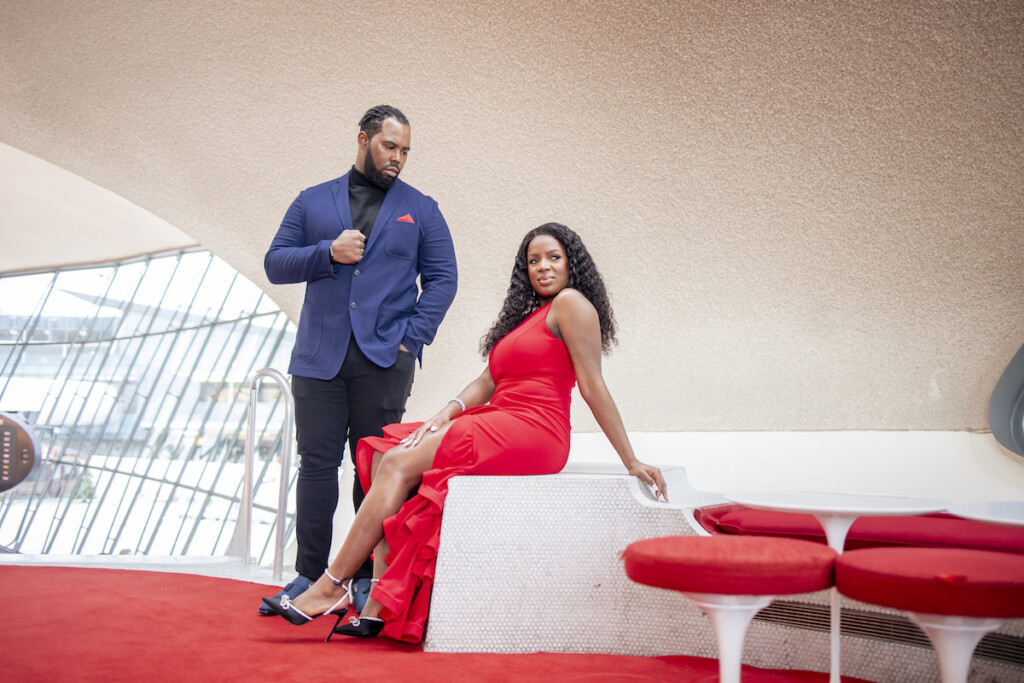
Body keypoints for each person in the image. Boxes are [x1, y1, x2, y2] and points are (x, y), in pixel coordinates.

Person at [262, 222, 666, 642]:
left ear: (572, 263)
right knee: (386, 449)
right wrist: (445, 413)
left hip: (536, 429)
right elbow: (486, 382)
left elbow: (593, 385)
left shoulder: (571, 304)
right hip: (499, 417)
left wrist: (631, 460)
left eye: (553, 257)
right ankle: (379, 600)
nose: (542, 267)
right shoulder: (528, 318)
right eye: (533, 261)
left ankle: (331, 585)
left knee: (400, 460)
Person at [259, 105, 458, 614]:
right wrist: (327, 252)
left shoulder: (423, 208)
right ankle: (307, 577)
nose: (398, 158)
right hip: (318, 358)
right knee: (317, 464)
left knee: (371, 467)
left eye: (405, 151)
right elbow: (276, 263)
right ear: (364, 139)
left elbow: (443, 279)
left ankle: (365, 578)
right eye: (390, 146)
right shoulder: (312, 201)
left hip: (383, 360)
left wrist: (410, 341)